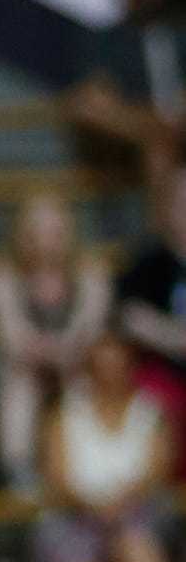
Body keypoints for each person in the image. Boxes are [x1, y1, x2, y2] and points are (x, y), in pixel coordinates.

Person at [35, 332, 179, 562]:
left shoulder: (152, 412)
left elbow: (158, 469)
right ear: (88, 369)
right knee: (75, 558)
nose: (109, 373)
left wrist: (119, 505)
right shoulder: (63, 413)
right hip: (74, 515)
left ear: (131, 367)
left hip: (139, 514)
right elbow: (55, 474)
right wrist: (92, 506)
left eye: (117, 365)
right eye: (100, 366)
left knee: (133, 539)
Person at [0, 196, 113, 494]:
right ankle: (19, 471)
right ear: (23, 234)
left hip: (76, 364)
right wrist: (47, 351)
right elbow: (12, 335)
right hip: (25, 365)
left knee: (81, 380)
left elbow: (89, 332)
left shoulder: (91, 272)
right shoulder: (4, 273)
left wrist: (61, 352)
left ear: (69, 231)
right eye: (37, 231)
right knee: (20, 383)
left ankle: (89, 468)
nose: (46, 240)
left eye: (54, 231)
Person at [64, 0, 185, 197]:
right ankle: (168, 236)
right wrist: (152, 124)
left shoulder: (178, 38)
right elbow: (93, 102)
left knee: (161, 144)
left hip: (176, 131)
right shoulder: (106, 40)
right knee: (158, 147)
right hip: (123, 142)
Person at [115, 167, 186, 458]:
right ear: (165, 208)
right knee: (151, 399)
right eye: (181, 202)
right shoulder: (147, 263)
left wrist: (165, 330)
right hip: (161, 371)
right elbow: (131, 319)